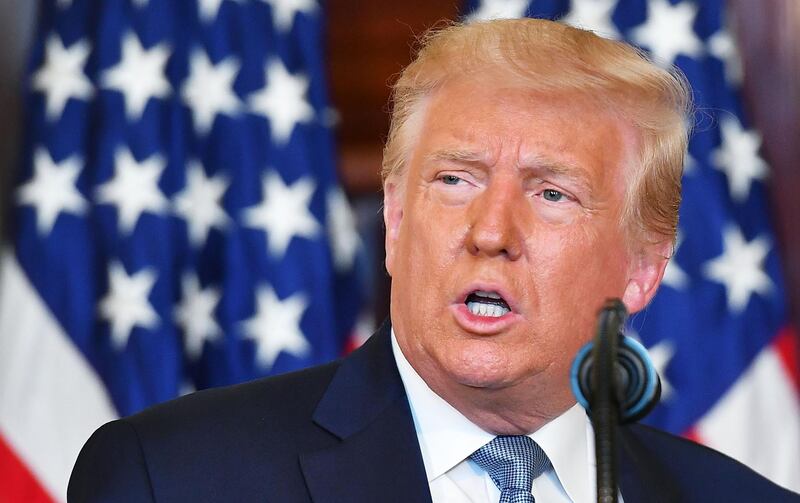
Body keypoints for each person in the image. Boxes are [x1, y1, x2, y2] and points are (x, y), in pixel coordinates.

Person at [68, 18, 800, 502]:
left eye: (551, 193)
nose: (490, 230)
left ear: (643, 268)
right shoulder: (170, 478)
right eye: (455, 180)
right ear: (393, 219)